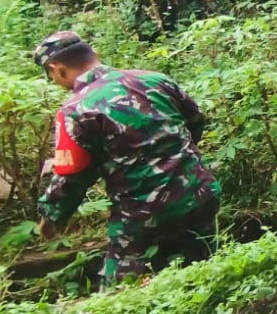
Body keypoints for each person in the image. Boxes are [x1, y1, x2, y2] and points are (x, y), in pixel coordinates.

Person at [31, 32, 220, 288]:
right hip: (199, 194)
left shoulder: (75, 111)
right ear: (94, 54)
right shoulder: (154, 80)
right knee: (201, 269)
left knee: (121, 288)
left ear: (56, 68)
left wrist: (51, 216)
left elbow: (72, 175)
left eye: (50, 75)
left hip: (143, 214)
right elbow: (195, 121)